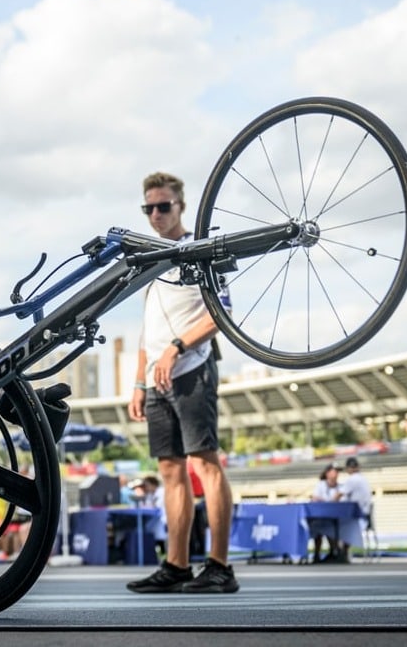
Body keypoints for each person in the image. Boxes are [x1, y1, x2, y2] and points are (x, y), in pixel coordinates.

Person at [125, 172, 239, 594]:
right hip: (156, 379)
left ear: (181, 207)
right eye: (149, 208)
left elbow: (221, 314)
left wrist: (175, 348)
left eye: (164, 206)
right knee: (169, 470)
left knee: (204, 465)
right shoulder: (151, 261)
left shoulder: (200, 252)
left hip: (192, 368)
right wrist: (138, 383)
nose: (156, 214)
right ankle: (176, 565)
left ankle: (220, 566)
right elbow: (145, 330)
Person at [334, 456, 373, 562]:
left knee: (334, 525)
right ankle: (340, 552)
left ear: (348, 468)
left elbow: (338, 496)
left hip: (358, 516)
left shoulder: (353, 479)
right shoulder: (362, 478)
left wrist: (330, 502)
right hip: (364, 515)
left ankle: (341, 553)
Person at [309, 463, 341, 562]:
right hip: (320, 515)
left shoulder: (340, 487)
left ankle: (334, 552)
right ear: (327, 473)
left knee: (333, 526)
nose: (336, 474)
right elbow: (315, 497)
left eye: (337, 472)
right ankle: (317, 554)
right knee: (318, 527)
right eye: (334, 471)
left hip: (334, 515)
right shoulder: (321, 485)